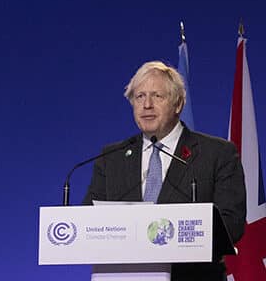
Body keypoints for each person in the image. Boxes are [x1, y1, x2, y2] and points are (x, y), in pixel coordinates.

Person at [84, 61, 246, 281]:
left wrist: (171, 236)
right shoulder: (110, 158)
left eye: (157, 96)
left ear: (178, 103)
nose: (147, 105)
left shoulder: (217, 153)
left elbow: (232, 224)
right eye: (139, 97)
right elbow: (87, 221)